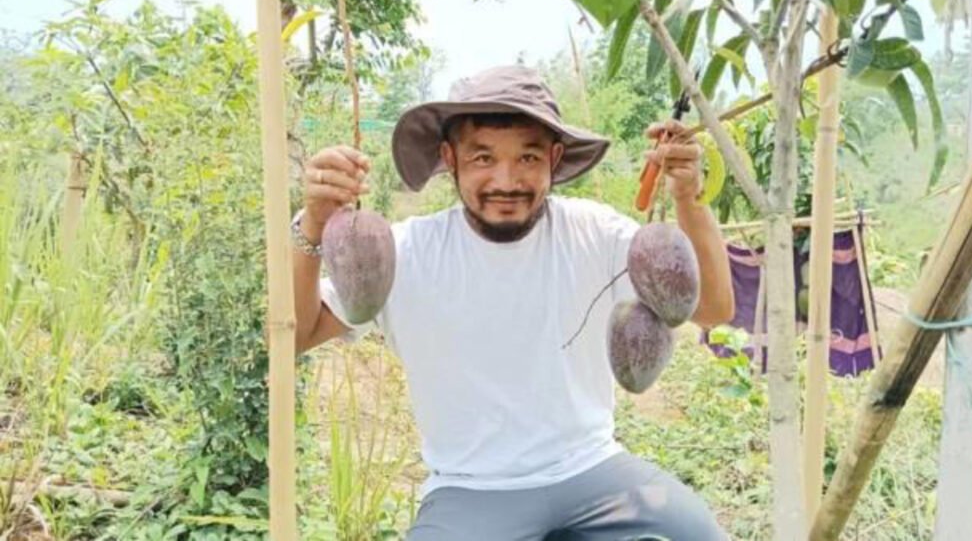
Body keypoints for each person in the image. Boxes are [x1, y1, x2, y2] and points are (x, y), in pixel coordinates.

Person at [291, 65, 734, 540]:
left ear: (554, 157)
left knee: (696, 534)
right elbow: (298, 334)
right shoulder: (406, 251)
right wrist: (313, 226)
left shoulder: (594, 232)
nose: (507, 180)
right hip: (470, 490)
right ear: (450, 159)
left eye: (527, 157)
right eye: (482, 157)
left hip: (591, 469)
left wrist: (689, 199)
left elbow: (712, 309)